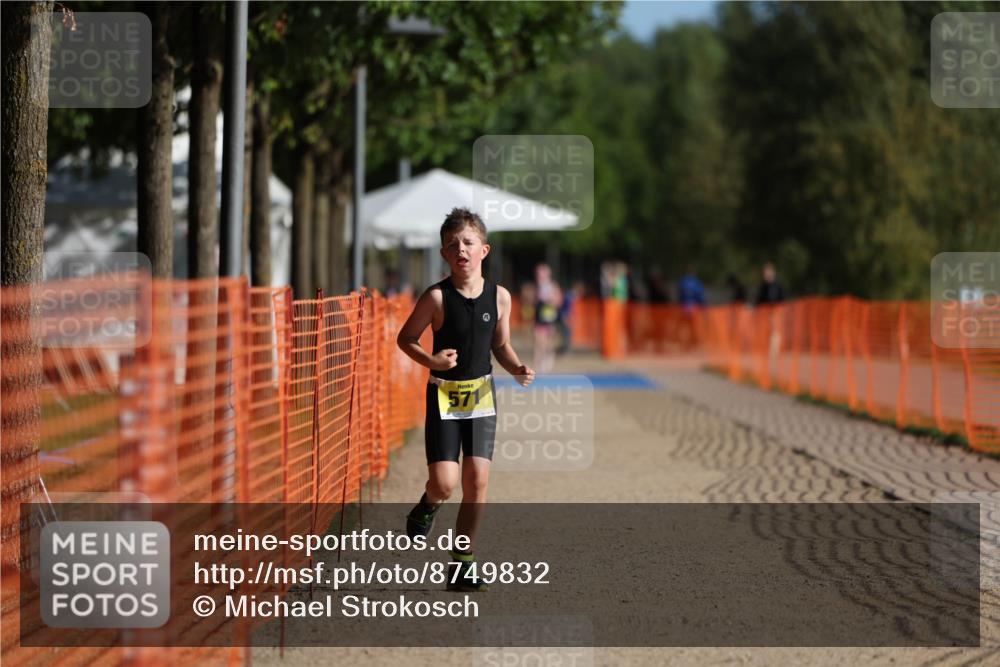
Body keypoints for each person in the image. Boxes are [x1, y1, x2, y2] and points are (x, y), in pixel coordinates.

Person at [396, 208, 534, 592]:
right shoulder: (436, 297)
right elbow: (405, 338)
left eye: (468, 242)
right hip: (443, 394)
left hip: (482, 396)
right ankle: (427, 506)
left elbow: (500, 344)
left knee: (477, 480)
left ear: (484, 250)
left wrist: (517, 367)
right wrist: (431, 359)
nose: (461, 249)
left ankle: (462, 563)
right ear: (443, 254)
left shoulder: (500, 297)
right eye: (452, 244)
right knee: (444, 482)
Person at [532, 263, 562, 373]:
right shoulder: (537, 286)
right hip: (539, 317)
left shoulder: (552, 286)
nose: (540, 276)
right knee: (538, 341)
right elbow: (533, 302)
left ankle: (548, 358)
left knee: (548, 342)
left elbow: (558, 301)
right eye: (538, 274)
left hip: (549, 317)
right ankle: (537, 364)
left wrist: (550, 300)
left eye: (542, 274)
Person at [676, 265, 705, 349]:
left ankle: (686, 342)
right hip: (694, 308)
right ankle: (692, 342)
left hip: (684, 307)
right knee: (693, 326)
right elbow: (700, 296)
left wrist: (679, 305)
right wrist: (703, 307)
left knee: (685, 326)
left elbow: (680, 295)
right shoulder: (696, 282)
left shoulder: (683, 281)